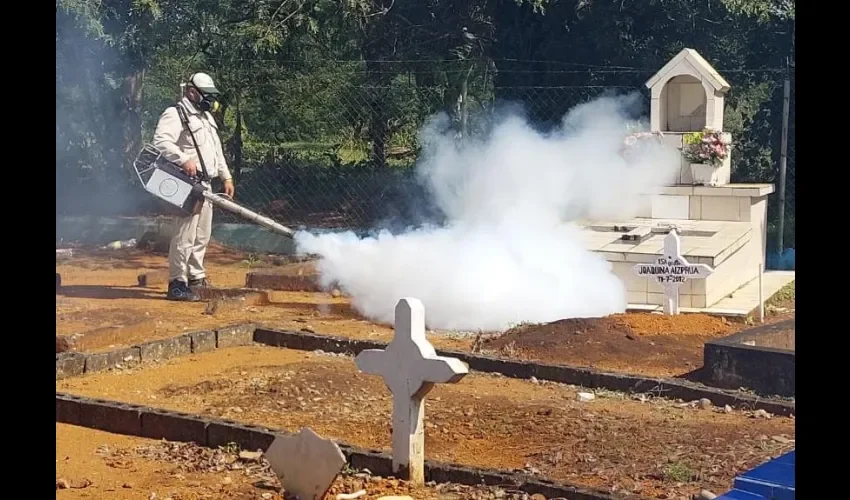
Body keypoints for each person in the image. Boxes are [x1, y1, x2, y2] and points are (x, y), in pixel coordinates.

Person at [153, 72, 235, 302]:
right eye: (206, 95)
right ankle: (177, 283)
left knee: (202, 234)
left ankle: (196, 276)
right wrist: (182, 158)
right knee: (184, 234)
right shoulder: (176, 114)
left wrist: (226, 177)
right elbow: (161, 140)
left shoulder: (206, 117)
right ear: (191, 92)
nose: (210, 99)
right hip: (187, 184)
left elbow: (216, 150)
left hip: (206, 185)